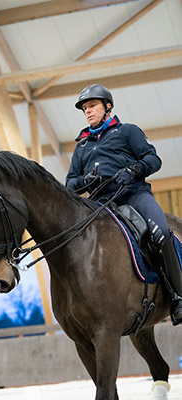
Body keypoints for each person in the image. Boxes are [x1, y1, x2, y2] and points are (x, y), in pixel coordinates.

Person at [66, 83, 182, 326]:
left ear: (107, 106)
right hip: (100, 204)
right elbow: (69, 185)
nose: (88, 111)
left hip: (133, 194)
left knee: (161, 232)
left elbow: (153, 158)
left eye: (92, 106)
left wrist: (133, 170)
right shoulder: (82, 147)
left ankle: (178, 296)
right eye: (85, 108)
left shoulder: (128, 131)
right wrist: (84, 180)